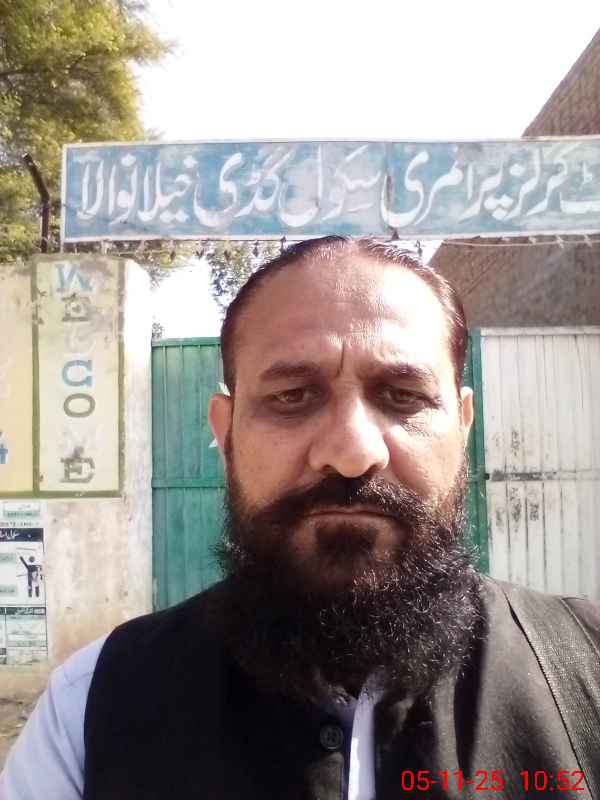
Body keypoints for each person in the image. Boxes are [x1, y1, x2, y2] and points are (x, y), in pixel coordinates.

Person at [1, 235, 599, 800]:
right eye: (292, 396)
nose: (352, 452)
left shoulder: (586, 670)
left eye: (403, 396)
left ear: (463, 427)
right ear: (225, 434)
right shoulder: (91, 708)